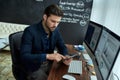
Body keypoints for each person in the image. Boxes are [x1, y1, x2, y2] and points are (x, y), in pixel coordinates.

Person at [20, 4, 72, 80]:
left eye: (58, 22)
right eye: (53, 21)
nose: (55, 25)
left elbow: (62, 46)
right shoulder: (30, 31)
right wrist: (48, 56)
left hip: (49, 63)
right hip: (34, 67)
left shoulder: (55, 30)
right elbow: (24, 56)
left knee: (62, 74)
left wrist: (66, 56)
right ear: (45, 17)